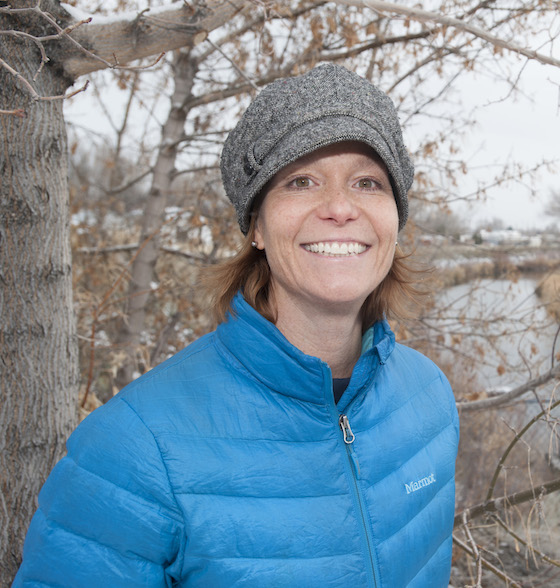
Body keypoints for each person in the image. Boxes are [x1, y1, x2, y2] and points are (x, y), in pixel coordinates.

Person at [14, 63, 459, 587]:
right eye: (300, 180)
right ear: (258, 228)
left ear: (395, 219)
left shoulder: (428, 397)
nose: (340, 207)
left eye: (367, 182)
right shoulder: (133, 450)